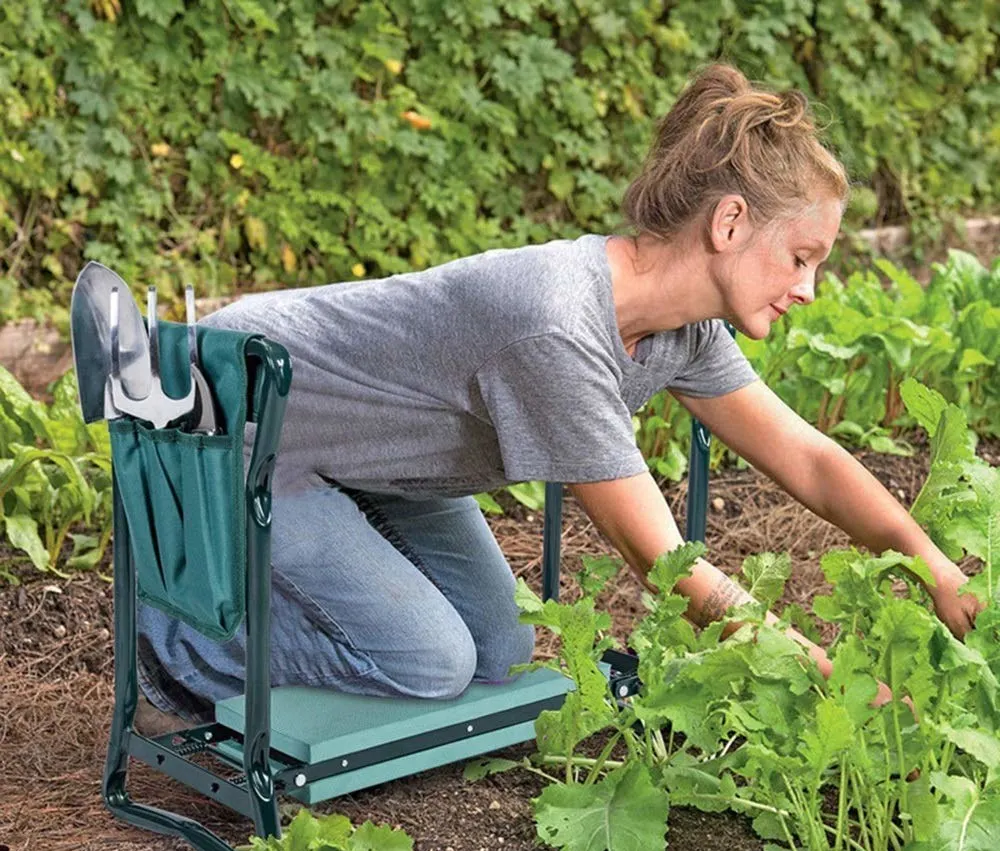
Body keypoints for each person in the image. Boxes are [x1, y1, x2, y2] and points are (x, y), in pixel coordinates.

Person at [135, 63, 982, 726]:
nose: (809, 288)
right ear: (728, 225)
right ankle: (185, 640)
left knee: (498, 653)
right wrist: (830, 685)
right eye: (802, 257)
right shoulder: (558, 328)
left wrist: (937, 569)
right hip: (238, 420)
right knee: (430, 663)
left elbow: (809, 457)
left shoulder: (679, 330)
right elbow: (664, 563)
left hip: (357, 453)